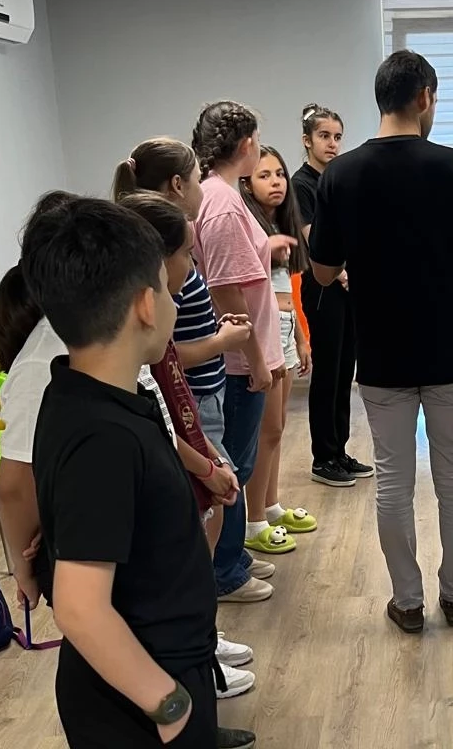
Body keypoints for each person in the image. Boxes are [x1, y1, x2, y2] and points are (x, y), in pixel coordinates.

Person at [0, 196, 258, 746]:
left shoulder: (85, 393)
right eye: (166, 288)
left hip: (155, 661)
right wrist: (169, 704)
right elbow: (80, 607)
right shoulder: (102, 436)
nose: (174, 302)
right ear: (144, 306)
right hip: (139, 695)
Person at [308, 49, 453, 633]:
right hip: (451, 352)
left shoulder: (340, 174)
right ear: (424, 97)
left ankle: (407, 601)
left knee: (393, 482)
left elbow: (322, 271)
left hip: (381, 354)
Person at [113, 137, 277, 599]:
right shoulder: (163, 264)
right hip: (194, 397)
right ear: (177, 184)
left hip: (202, 392)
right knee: (218, 487)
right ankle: (222, 575)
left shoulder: (174, 247)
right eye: (189, 255)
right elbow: (167, 355)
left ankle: (225, 567)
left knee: (222, 481)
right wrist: (222, 343)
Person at [191, 102, 311, 591]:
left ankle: (233, 556)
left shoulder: (220, 195)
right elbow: (226, 290)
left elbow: (237, 266)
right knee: (235, 468)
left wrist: (267, 247)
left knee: (238, 464)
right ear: (245, 145)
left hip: (246, 354)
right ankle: (225, 570)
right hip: (240, 361)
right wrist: (258, 361)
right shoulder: (221, 202)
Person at [293, 104, 372, 487]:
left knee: (344, 372)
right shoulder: (302, 184)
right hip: (324, 286)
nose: (332, 143)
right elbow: (313, 238)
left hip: (348, 287)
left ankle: (339, 451)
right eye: (324, 136)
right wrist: (341, 273)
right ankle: (323, 457)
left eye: (338, 137)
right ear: (307, 140)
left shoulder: (337, 179)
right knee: (327, 373)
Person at [241, 145, 316, 543]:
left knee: (277, 427)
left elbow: (290, 294)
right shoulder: (250, 231)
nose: (276, 182)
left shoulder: (277, 228)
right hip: (264, 329)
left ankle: (270, 505)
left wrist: (301, 338)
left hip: (284, 327)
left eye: (279, 174)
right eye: (264, 175)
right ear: (247, 184)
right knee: (266, 429)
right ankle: (254, 522)